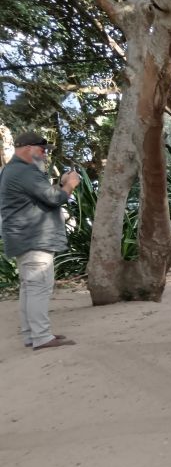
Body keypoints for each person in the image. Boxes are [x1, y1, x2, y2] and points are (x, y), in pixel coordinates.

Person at [0, 131, 81, 350]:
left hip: (25, 238)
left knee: (29, 287)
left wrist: (62, 184)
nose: (45, 154)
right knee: (38, 287)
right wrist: (70, 184)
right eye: (42, 149)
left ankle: (32, 335)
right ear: (27, 148)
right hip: (34, 239)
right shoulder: (24, 171)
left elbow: (43, 195)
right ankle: (42, 337)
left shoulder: (14, 170)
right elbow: (54, 198)